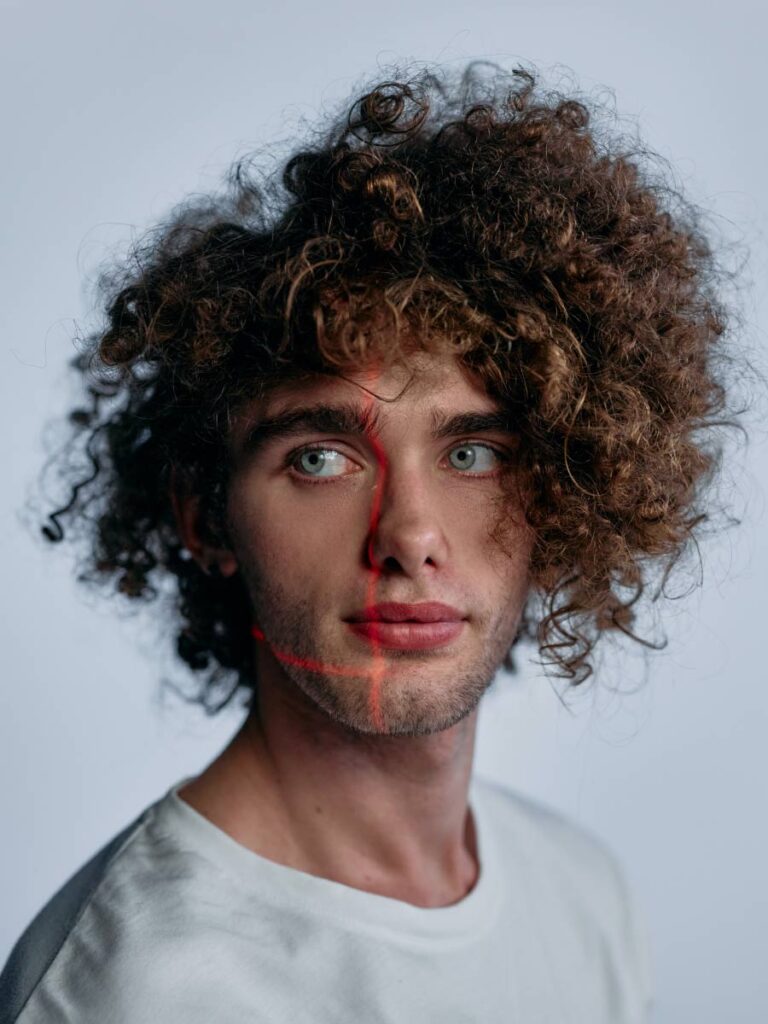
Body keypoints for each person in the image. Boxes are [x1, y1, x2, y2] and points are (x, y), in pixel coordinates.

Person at [1, 59, 739, 1023]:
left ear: (572, 488)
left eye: (473, 452)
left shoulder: (583, 895)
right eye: (320, 459)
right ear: (205, 518)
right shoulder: (132, 993)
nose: (410, 535)